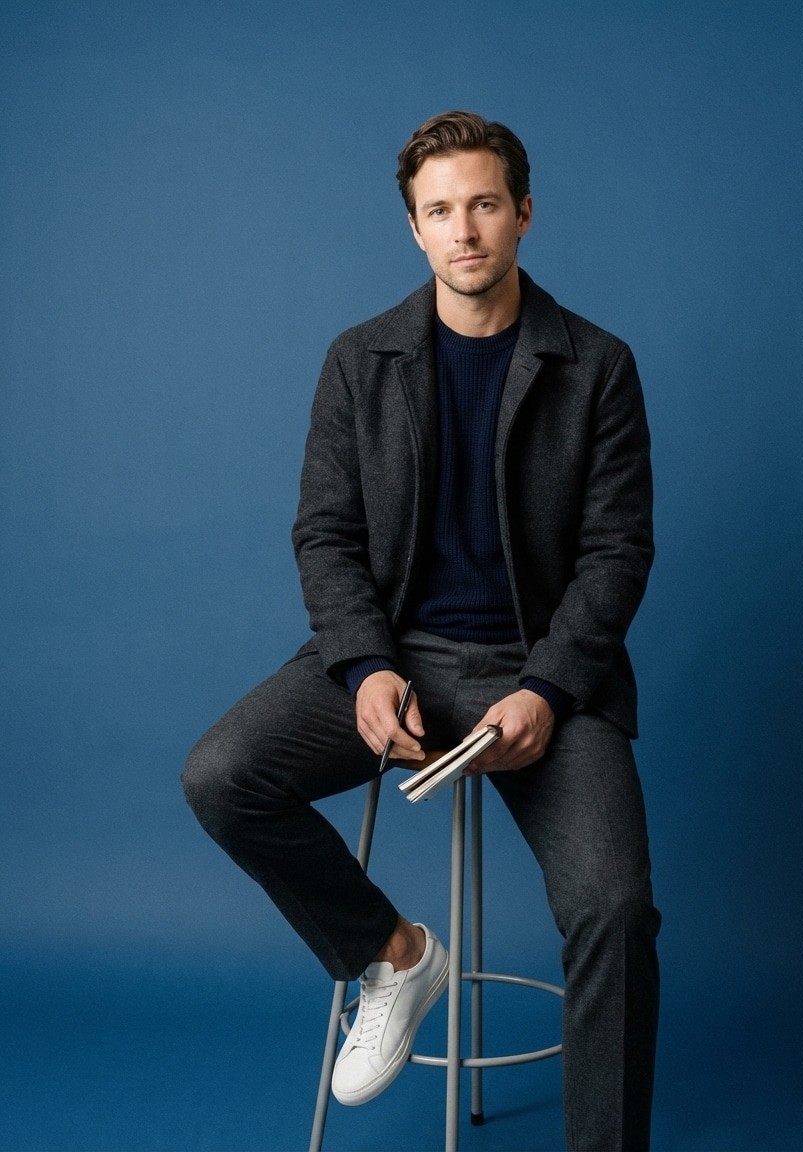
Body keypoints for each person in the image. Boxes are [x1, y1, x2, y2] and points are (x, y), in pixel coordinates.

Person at [183, 110, 661, 1151]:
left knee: (615, 911)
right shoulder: (360, 361)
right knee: (221, 775)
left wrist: (547, 687)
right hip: (397, 653)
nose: (465, 230)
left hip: (543, 677)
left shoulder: (598, 366)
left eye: (484, 204)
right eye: (440, 211)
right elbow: (326, 535)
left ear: (523, 215)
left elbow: (617, 553)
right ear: (413, 229)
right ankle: (394, 956)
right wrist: (362, 666)